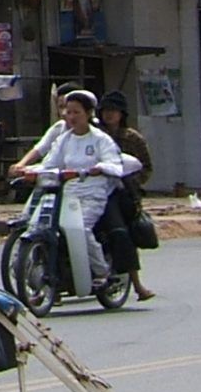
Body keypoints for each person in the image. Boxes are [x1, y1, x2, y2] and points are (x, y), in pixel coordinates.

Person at [9, 90, 136, 297]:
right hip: (66, 194)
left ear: (88, 113)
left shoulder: (100, 139)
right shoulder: (64, 139)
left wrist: (98, 168)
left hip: (92, 194)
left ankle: (102, 272)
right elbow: (49, 163)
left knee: (81, 229)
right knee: (43, 225)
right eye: (68, 112)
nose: (71, 116)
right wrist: (27, 170)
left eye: (76, 112)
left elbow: (114, 164)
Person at [94, 93, 158, 302]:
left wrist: (130, 183)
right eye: (105, 111)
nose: (109, 115)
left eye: (113, 111)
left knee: (121, 233)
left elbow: (146, 168)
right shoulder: (94, 136)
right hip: (92, 191)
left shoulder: (133, 138)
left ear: (122, 114)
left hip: (123, 194)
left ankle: (137, 285)